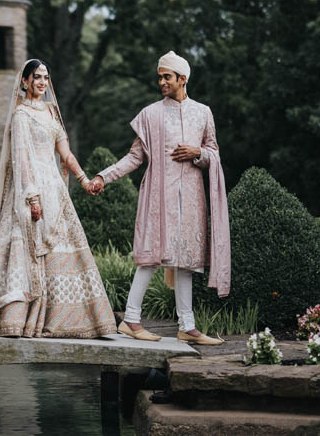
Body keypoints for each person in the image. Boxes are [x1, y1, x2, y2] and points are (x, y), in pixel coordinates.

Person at [0, 59, 116, 338]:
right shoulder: (21, 115)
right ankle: (13, 318)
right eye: (37, 77)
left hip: (56, 193)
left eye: (46, 77)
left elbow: (65, 153)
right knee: (17, 252)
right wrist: (32, 199)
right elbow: (22, 159)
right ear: (24, 81)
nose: (42, 82)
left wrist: (85, 179)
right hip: (29, 193)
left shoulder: (51, 113)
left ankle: (64, 321)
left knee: (64, 255)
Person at [86, 51, 231, 346]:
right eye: (160, 77)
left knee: (186, 261)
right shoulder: (151, 114)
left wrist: (198, 153)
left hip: (191, 197)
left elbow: (213, 153)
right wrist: (103, 176)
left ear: (183, 79)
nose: (162, 81)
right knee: (152, 256)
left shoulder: (203, 113)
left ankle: (186, 326)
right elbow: (134, 157)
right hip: (158, 196)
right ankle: (130, 319)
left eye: (167, 76)